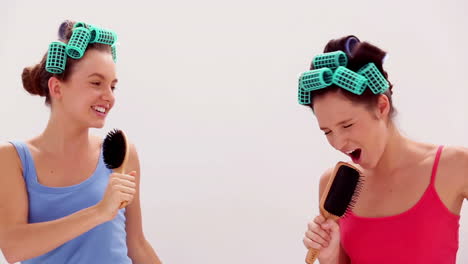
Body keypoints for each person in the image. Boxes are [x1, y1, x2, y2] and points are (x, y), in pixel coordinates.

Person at [0, 20, 162, 263]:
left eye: (113, 86)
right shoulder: (13, 159)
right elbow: (14, 247)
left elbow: (136, 244)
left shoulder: (122, 155)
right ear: (57, 88)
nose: (108, 97)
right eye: (96, 83)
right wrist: (99, 211)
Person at [300, 35, 467, 263]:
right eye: (327, 131)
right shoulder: (333, 184)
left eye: (347, 125)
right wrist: (330, 257)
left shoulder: (454, 165)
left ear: (381, 106)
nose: (338, 143)